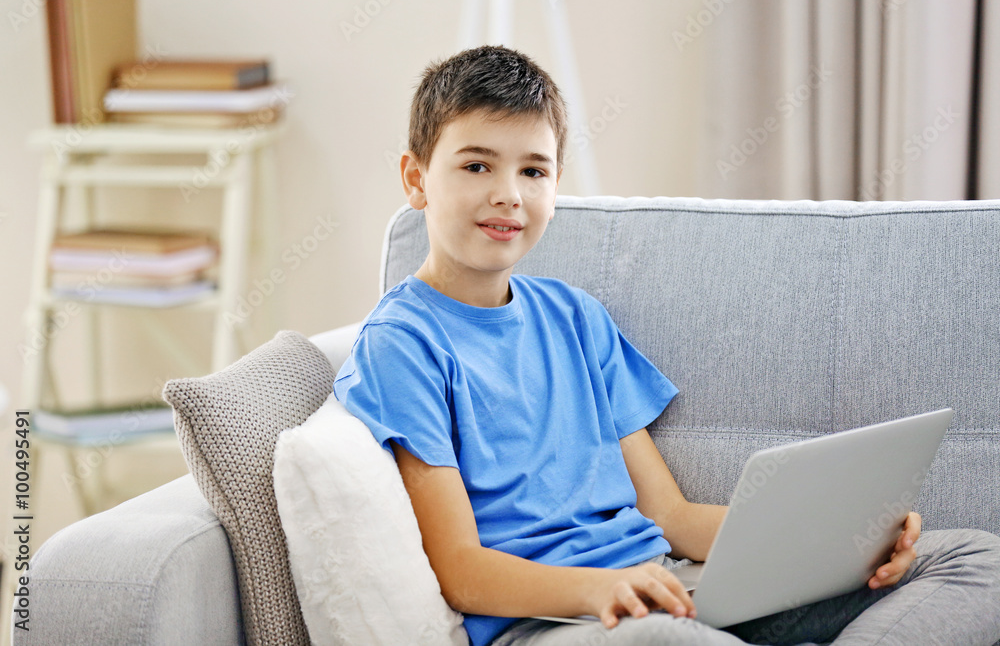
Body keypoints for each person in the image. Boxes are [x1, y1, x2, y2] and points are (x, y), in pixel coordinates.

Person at [333, 45, 1000, 646]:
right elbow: (462, 571)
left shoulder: (575, 317)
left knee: (973, 557)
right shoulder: (404, 343)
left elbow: (671, 514)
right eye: (477, 164)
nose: (508, 194)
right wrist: (597, 590)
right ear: (416, 178)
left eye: (534, 171)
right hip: (553, 619)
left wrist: (846, 544)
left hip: (670, 582)